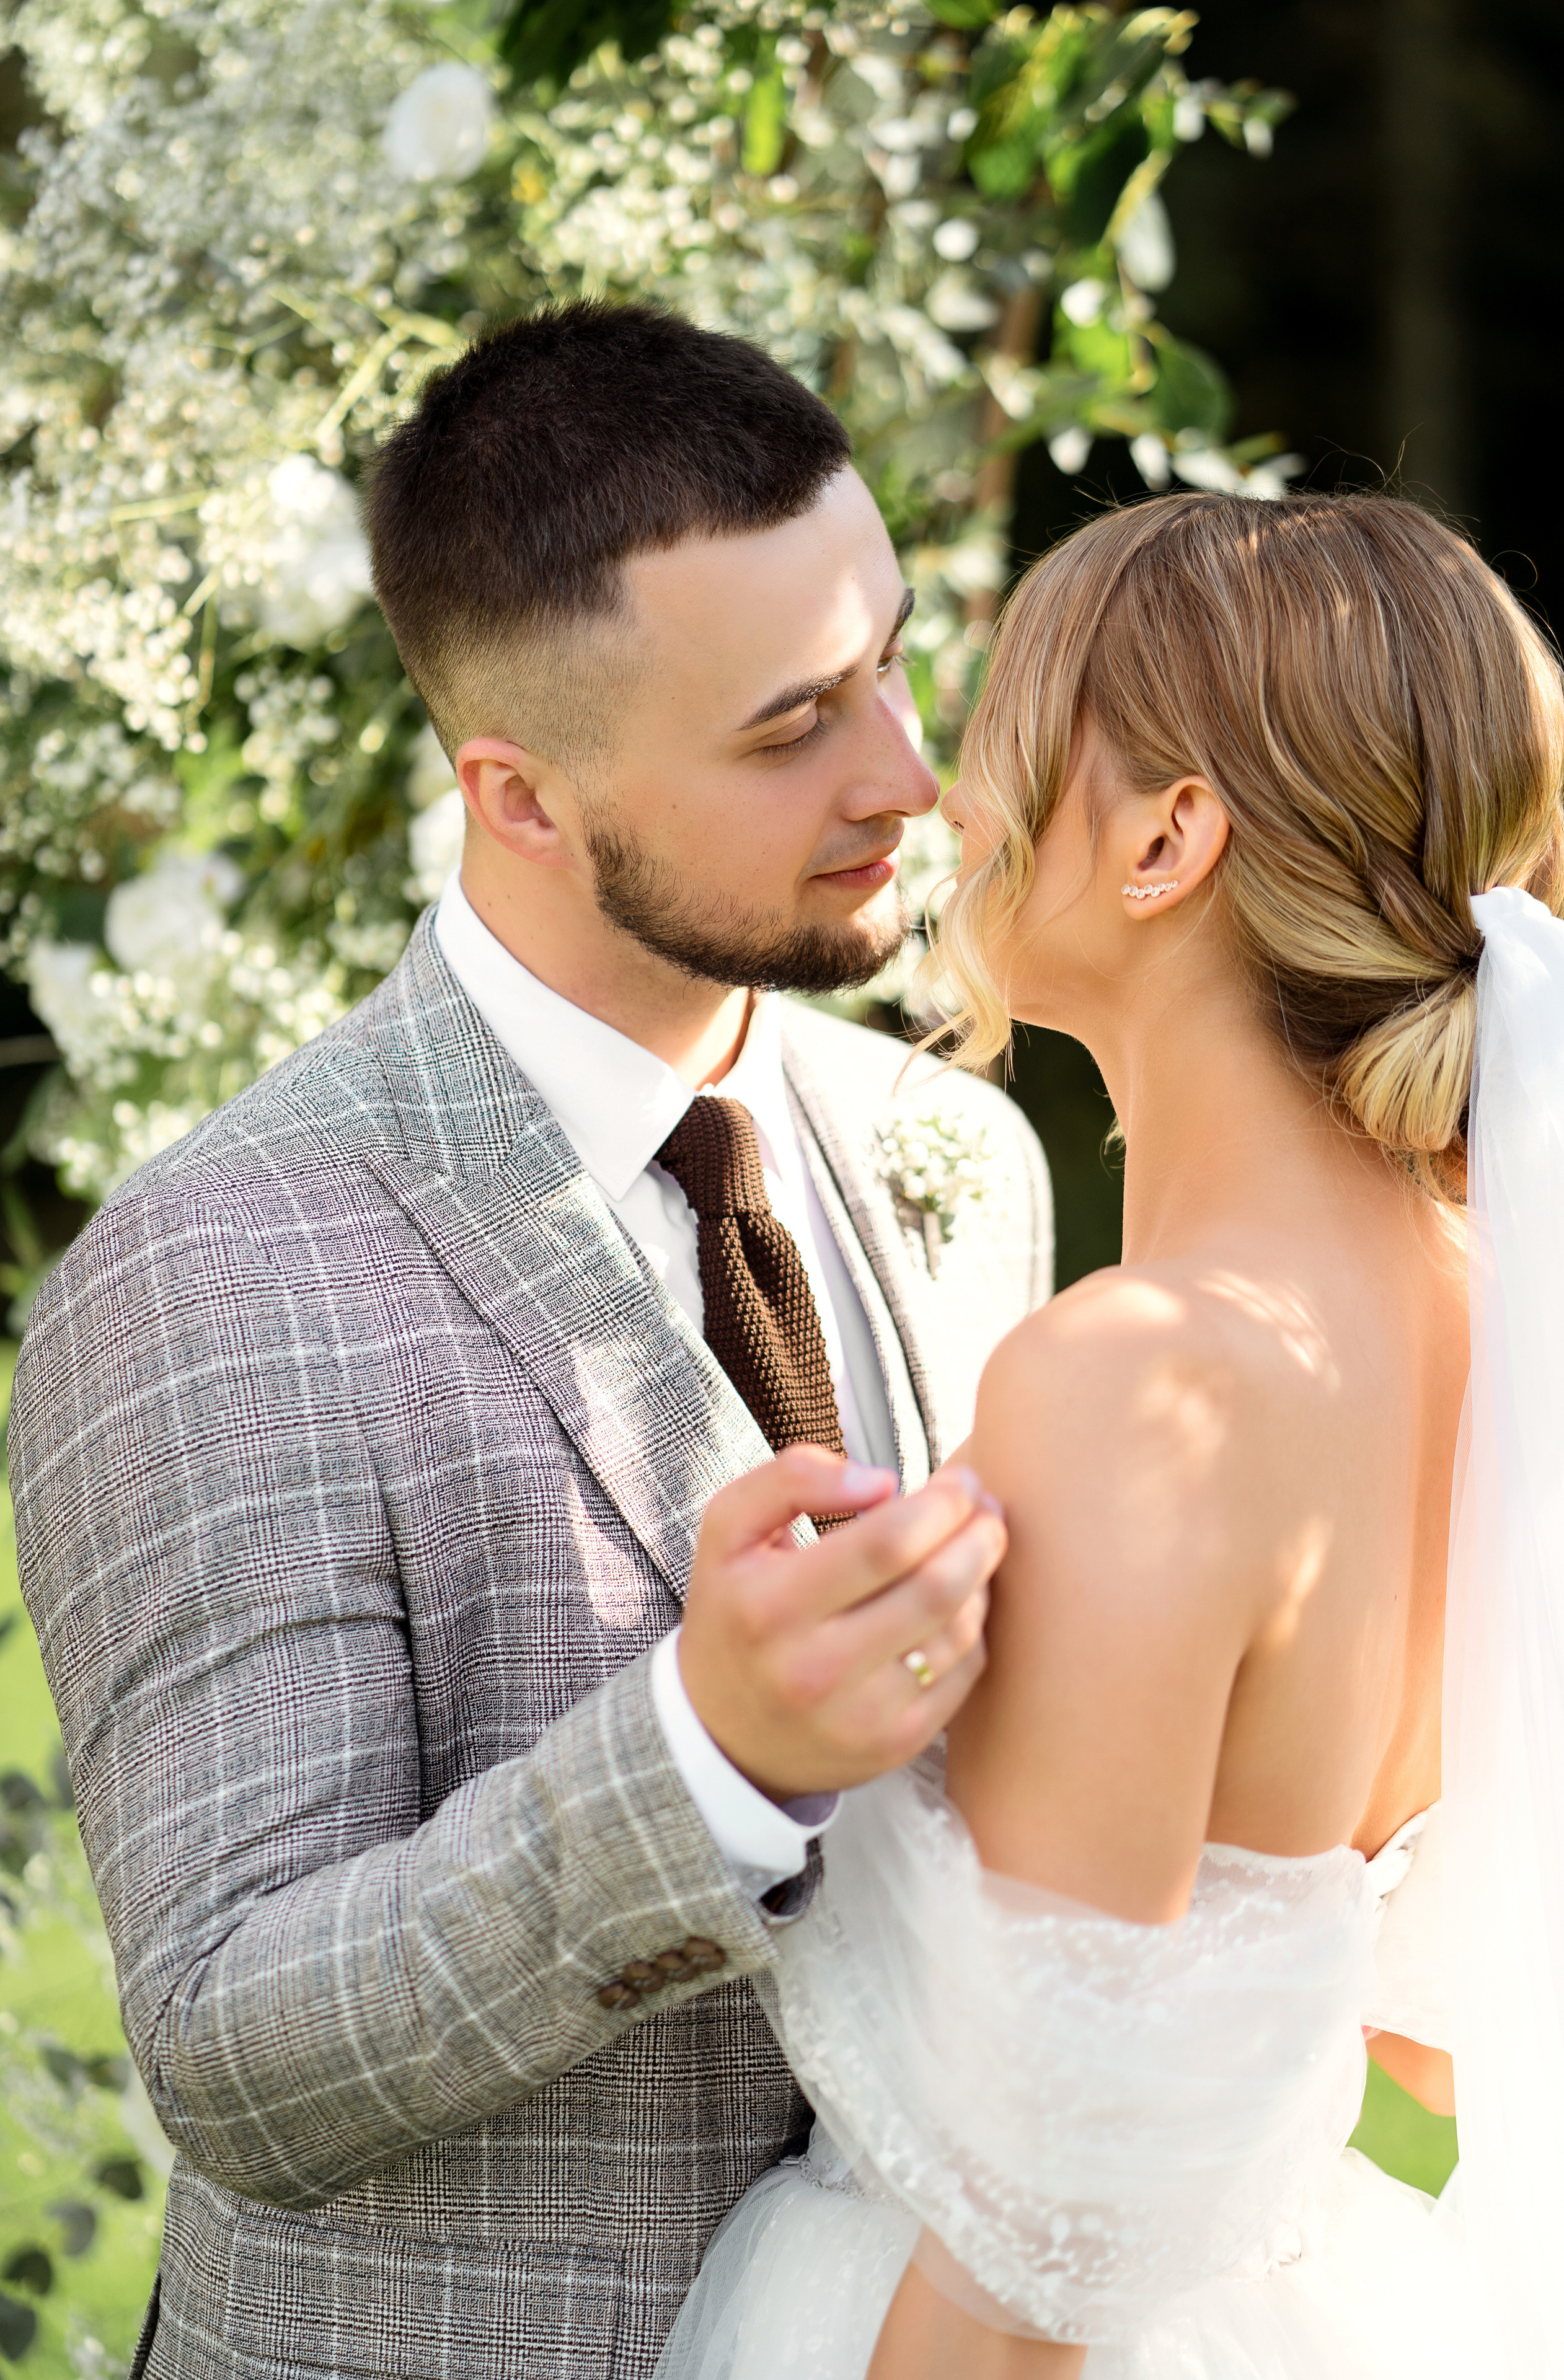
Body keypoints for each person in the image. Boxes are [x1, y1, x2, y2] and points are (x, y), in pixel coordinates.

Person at [7, 303, 1051, 2380]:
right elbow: (234, 2051)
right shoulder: (218, 1272)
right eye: (790, 730)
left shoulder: (964, 1153)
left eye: (896, 657)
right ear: (523, 796)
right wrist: (708, 1766)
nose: (911, 776)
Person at [655, 488, 1564, 2379]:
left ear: (1167, 838)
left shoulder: (1143, 1382)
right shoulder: (1492, 1316)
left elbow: (1032, 2277)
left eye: (1003, 724)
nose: (940, 795)